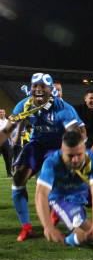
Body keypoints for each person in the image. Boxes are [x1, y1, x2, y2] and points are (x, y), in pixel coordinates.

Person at [9, 73, 83, 242]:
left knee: (47, 182)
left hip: (57, 146)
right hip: (36, 145)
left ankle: (56, 213)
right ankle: (26, 227)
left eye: (43, 86)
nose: (38, 89)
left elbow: (76, 133)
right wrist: (16, 134)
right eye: (35, 86)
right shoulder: (24, 104)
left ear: (51, 90)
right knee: (19, 176)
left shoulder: (63, 108)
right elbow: (16, 122)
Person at [34, 130, 93, 246]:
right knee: (85, 236)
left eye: (79, 155)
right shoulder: (51, 162)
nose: (75, 160)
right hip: (61, 197)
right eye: (70, 156)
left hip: (82, 193)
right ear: (62, 151)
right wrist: (47, 226)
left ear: (84, 150)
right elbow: (41, 194)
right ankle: (67, 240)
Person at [0, 109, 13, 176]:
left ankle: (9, 172)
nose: (1, 113)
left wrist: (11, 141)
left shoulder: (7, 121)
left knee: (8, 157)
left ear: (5, 113)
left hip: (5, 140)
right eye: (0, 112)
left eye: (2, 112)